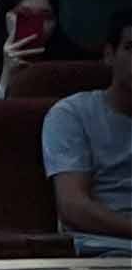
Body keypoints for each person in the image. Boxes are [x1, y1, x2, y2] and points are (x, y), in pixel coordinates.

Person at [50, 34, 132, 257]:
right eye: (131, 47)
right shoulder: (72, 114)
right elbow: (73, 206)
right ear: (109, 55)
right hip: (109, 251)